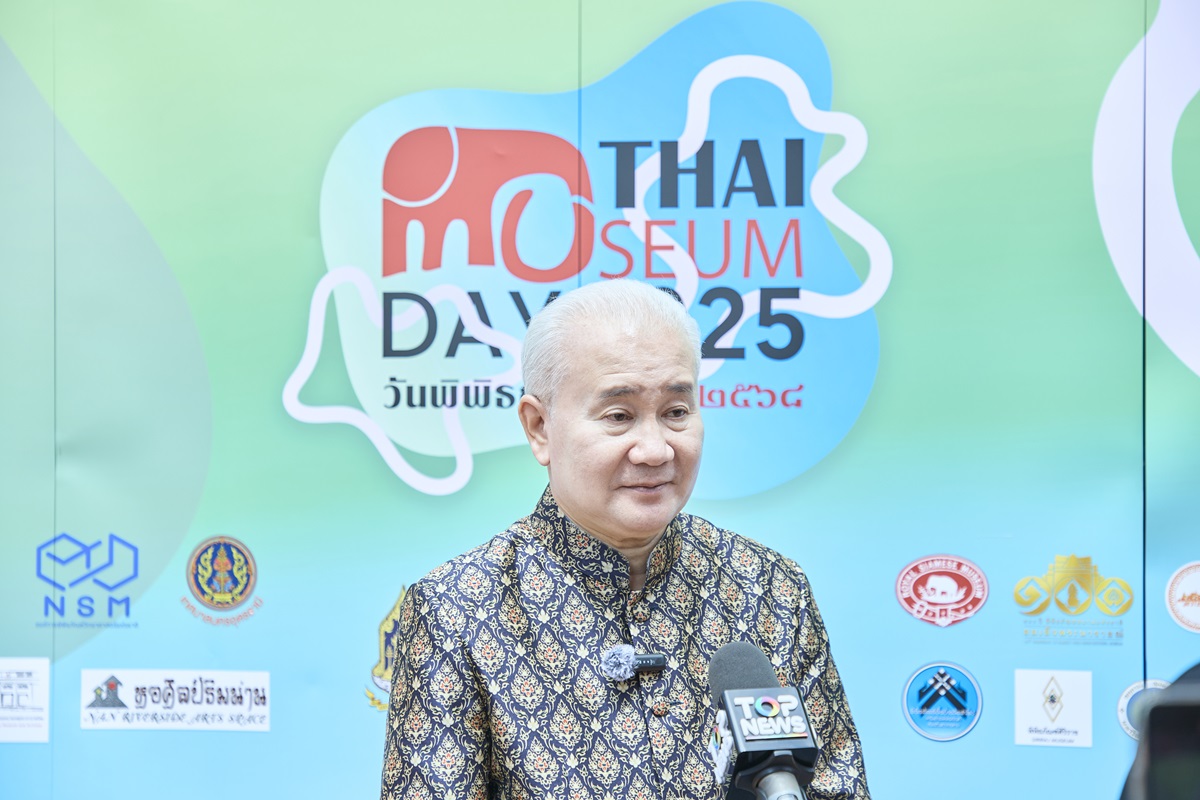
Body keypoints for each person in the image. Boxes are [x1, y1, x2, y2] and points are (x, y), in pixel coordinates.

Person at [380, 279, 871, 800]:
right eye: (619, 416)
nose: (655, 450)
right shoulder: (456, 609)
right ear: (540, 427)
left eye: (676, 412)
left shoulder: (770, 589)